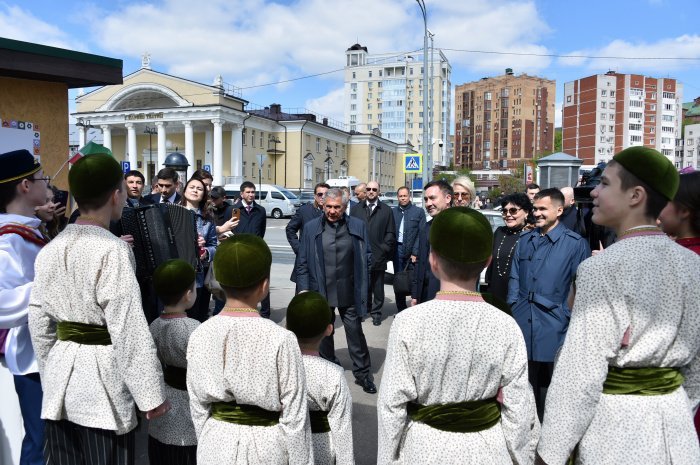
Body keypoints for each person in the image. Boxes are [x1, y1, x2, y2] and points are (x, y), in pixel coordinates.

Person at [537, 147, 700, 464]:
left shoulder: (602, 269)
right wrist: (675, 404)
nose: (594, 191)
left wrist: (550, 454)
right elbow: (696, 369)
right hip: (677, 429)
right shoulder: (691, 264)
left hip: (616, 433)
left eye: (606, 184)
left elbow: (579, 376)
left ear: (636, 195)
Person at [29, 153, 169, 465]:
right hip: (102, 388)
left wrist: (50, 371)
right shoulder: (113, 249)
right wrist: (150, 394)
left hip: (59, 386)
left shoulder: (50, 249)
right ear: (116, 195)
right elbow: (128, 328)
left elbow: (38, 324)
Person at [378, 207, 539, 464]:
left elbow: (391, 406)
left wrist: (387, 459)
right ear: (488, 261)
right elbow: (518, 408)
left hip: (424, 450)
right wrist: (520, 459)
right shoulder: (506, 325)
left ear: (432, 260)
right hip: (489, 451)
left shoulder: (408, 322)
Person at [186, 235, 313, 464]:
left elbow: (197, 403)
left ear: (219, 282)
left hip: (215, 442)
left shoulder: (200, 334)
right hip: (267, 448)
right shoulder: (282, 338)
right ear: (264, 285)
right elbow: (295, 417)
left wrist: (207, 438)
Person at [507, 188, 590, 420]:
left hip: (555, 324)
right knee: (522, 383)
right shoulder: (525, 240)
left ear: (559, 210)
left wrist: (567, 315)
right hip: (523, 319)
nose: (537, 213)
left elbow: (580, 287)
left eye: (543, 208)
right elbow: (515, 276)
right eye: (535, 208)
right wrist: (513, 307)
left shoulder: (575, 244)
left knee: (550, 386)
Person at [295, 188, 376, 394]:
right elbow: (302, 261)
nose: (332, 211)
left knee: (355, 332)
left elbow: (367, 256)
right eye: (328, 207)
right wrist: (304, 289)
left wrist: (364, 285)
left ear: (345, 206)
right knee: (324, 333)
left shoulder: (357, 226)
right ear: (323, 205)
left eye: (336, 207)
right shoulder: (312, 227)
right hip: (321, 288)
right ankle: (328, 366)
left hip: (349, 289)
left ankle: (363, 374)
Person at [0, 149, 50, 465]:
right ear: (25, 186)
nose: (47, 183)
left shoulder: (28, 229)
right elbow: (3, 304)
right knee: (39, 443)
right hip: (31, 358)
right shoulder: (8, 239)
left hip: (44, 353)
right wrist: (53, 284)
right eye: (41, 177)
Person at [286, 291, 354, 465]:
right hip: (321, 449)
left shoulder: (282, 367)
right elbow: (342, 432)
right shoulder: (333, 374)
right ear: (329, 329)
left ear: (287, 327)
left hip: (285, 446)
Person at [148, 259, 200, 465]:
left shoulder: (154, 325)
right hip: (188, 409)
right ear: (189, 295)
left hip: (164, 403)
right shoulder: (194, 328)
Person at [350, 181, 396, 326]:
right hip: (360, 255)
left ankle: (376, 313)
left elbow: (390, 233)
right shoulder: (356, 209)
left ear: (379, 191)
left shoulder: (387, 210)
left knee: (378, 287)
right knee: (362, 285)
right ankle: (362, 311)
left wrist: (383, 249)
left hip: (378, 255)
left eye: (374, 189)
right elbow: (350, 230)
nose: (371, 191)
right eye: (368, 189)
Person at [179, 176, 217, 323]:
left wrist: (205, 251)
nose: (195, 190)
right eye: (192, 187)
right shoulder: (171, 212)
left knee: (195, 318)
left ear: (203, 195)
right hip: (176, 274)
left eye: (199, 189)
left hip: (197, 276)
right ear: (185, 190)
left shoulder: (207, 218)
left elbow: (214, 246)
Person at [231, 181, 270, 317]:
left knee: (262, 283)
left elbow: (262, 230)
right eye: (248, 192)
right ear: (242, 194)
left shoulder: (260, 210)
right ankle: (242, 310)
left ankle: (265, 314)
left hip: (257, 252)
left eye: (253, 192)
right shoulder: (234, 210)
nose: (251, 195)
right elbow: (229, 231)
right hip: (239, 254)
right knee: (241, 284)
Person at [411, 180, 453, 306]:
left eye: (432, 198)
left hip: (449, 297)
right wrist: (415, 294)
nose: (428, 204)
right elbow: (420, 262)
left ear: (447, 198)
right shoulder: (425, 227)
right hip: (425, 295)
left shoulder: (460, 226)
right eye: (426, 199)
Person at [484, 193, 532, 302]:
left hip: (518, 297)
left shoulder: (531, 236)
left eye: (513, 211)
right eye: (505, 211)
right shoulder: (499, 232)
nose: (508, 214)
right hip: (495, 293)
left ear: (526, 212)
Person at [287, 183, 329, 291]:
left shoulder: (332, 212)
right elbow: (290, 229)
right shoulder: (304, 210)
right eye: (320, 194)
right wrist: (299, 249)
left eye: (326, 194)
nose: (323, 197)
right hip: (306, 263)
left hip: (326, 264)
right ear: (315, 196)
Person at [392, 186, 425, 312]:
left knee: (413, 280)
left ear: (409, 196)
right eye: (400, 196)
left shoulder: (418, 212)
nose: (403, 198)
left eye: (405, 196)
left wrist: (415, 252)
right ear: (397, 197)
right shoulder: (393, 212)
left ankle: (414, 307)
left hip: (412, 252)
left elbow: (420, 233)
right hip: (397, 251)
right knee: (399, 281)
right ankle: (400, 309)